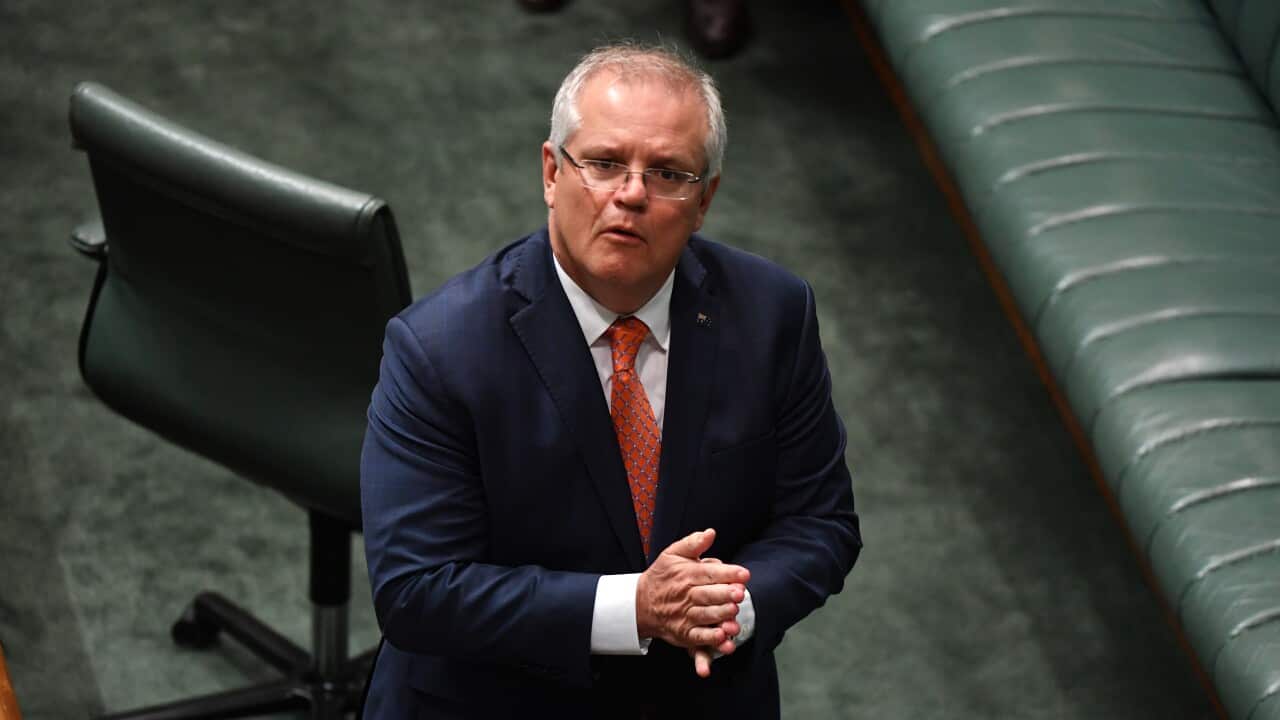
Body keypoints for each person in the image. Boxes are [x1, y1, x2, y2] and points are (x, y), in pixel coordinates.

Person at [360, 42, 861, 719]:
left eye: (667, 173)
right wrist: (637, 609)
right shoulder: (438, 349)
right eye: (602, 163)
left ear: (704, 199)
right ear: (550, 172)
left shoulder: (774, 313)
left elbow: (820, 521)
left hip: (703, 695)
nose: (631, 194)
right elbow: (418, 591)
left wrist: (726, 610)